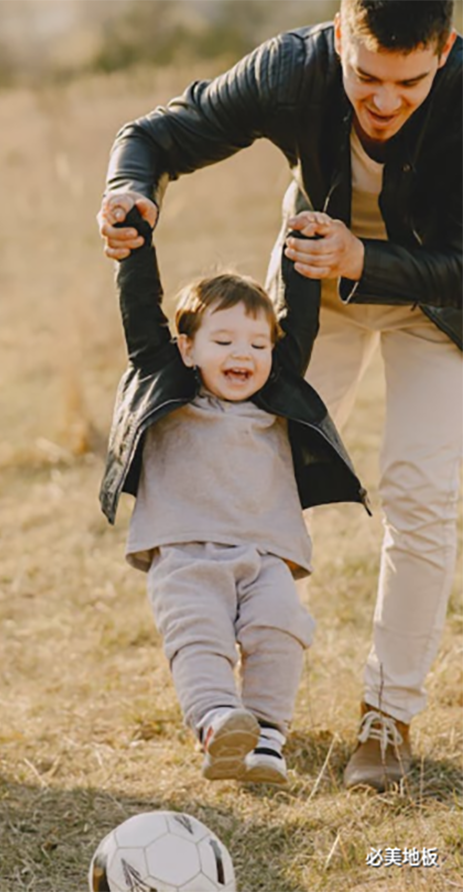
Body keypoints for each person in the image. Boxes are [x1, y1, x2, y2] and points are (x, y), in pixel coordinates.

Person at [98, 0, 463, 792]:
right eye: (366, 76)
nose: (385, 101)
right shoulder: (291, 69)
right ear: (338, 37)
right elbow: (153, 135)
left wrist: (366, 255)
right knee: (255, 466)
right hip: (307, 299)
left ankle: (387, 717)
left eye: (411, 81)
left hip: (439, 306)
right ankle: (233, 706)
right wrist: (130, 192)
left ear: (447, 48)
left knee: (420, 493)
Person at [100, 207, 367, 783]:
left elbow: (301, 317)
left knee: (278, 632)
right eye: (223, 340)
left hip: (266, 554)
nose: (242, 355)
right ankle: (219, 723)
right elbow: (140, 313)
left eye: (256, 343)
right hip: (185, 553)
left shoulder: (278, 397)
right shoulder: (167, 384)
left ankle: (267, 736)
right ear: (187, 348)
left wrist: (304, 238)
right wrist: (134, 244)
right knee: (199, 636)